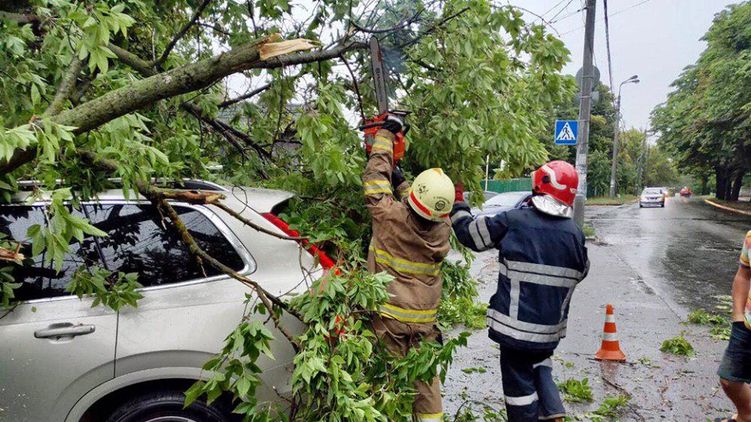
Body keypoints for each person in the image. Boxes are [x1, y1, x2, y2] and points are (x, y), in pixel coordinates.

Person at [450, 161, 589, 422]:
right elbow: (582, 270)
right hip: (549, 332)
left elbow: (470, 234)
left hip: (516, 332)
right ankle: (552, 410)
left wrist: (458, 203)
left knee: (520, 392)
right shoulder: (575, 235)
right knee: (540, 363)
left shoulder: (515, 222)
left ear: (539, 185)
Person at [362, 113, 455, 422]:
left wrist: (385, 136)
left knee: (385, 385)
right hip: (424, 324)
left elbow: (375, 180)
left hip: (389, 320)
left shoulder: (389, 218)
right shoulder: (443, 231)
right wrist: (401, 180)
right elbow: (421, 207)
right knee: (426, 384)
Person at [716, 230, 751, 422]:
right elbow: (744, 275)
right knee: (729, 380)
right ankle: (746, 416)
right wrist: (738, 314)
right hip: (746, 325)